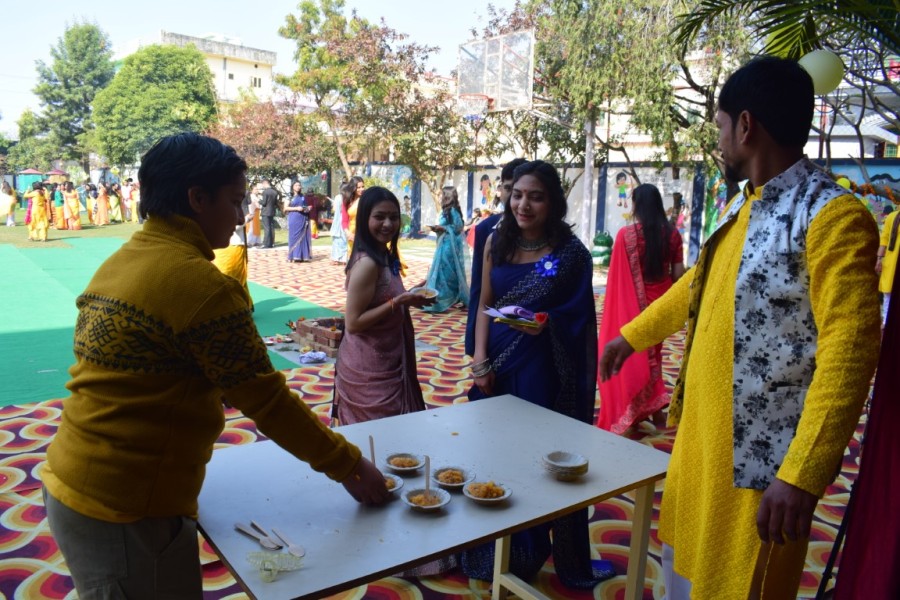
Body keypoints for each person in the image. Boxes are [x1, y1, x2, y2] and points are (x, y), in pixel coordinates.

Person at [41, 132, 390, 598]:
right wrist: (349, 466)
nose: (241, 214)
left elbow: (146, 371)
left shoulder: (123, 260)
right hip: (125, 508)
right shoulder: (201, 286)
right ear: (197, 199)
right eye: (234, 200)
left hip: (76, 480)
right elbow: (268, 403)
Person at [599, 57, 880, 598]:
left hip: (763, 474)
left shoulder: (832, 216)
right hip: (699, 450)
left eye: (720, 126)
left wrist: (801, 473)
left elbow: (850, 354)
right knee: (683, 579)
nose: (719, 141)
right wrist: (631, 337)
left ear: (746, 126)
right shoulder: (740, 203)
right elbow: (698, 285)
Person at [465, 160, 603, 590]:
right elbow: (485, 303)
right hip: (497, 364)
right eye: (518, 194)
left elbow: (579, 317)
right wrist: (480, 359)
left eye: (536, 197)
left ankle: (527, 552)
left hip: (542, 371)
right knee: (493, 454)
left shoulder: (570, 254)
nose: (523, 204)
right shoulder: (496, 240)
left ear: (553, 202)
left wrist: (549, 323)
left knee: (532, 459)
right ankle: (489, 551)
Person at [333, 186, 433, 425]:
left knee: (393, 433)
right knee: (374, 435)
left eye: (394, 217)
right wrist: (398, 301)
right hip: (368, 369)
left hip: (389, 359)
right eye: (379, 217)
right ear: (365, 218)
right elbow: (353, 323)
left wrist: (410, 296)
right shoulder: (367, 263)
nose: (388, 224)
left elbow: (381, 297)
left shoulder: (384, 254)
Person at [597, 183, 684, 434]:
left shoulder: (626, 235)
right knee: (654, 354)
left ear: (636, 205)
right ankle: (654, 411)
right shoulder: (673, 235)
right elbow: (678, 275)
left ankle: (645, 408)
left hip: (632, 304)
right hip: (662, 305)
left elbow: (617, 277)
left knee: (637, 356)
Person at [464, 158, 527, 356]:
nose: (513, 196)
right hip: (495, 328)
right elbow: (478, 288)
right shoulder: (486, 229)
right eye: (507, 188)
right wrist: (474, 343)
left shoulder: (549, 235)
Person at [423, 186, 469, 313]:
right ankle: (442, 296)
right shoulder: (446, 210)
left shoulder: (453, 210)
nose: (440, 197)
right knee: (442, 269)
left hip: (450, 245)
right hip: (445, 243)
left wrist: (442, 228)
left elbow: (458, 227)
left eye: (442, 195)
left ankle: (445, 298)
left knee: (447, 271)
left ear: (448, 196)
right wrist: (437, 228)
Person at [876, 204, 898, 326]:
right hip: (892, 261)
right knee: (888, 295)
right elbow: (884, 240)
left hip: (892, 262)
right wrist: (879, 259)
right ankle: (885, 322)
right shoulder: (892, 217)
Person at [285, 180, 313, 263]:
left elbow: (304, 206)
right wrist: (296, 208)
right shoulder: (289, 197)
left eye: (299, 185)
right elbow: (285, 208)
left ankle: (303, 256)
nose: (298, 187)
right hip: (294, 218)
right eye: (296, 185)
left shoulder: (302, 196)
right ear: (293, 187)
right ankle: (293, 255)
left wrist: (307, 208)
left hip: (303, 218)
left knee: (303, 236)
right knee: (294, 237)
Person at [330, 182, 352, 264]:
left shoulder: (338, 197)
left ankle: (336, 258)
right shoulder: (350, 197)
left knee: (337, 240)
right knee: (345, 239)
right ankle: (344, 259)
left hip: (338, 219)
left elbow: (335, 209)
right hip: (347, 220)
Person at [345, 175, 365, 256]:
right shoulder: (347, 201)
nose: (361, 189)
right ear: (353, 188)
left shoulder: (365, 199)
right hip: (351, 234)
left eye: (363, 187)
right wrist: (348, 233)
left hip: (363, 233)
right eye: (358, 187)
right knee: (352, 256)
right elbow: (344, 220)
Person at [258, 179, 279, 248]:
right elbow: (276, 203)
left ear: (265, 183)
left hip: (265, 212)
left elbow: (264, 203)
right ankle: (272, 243)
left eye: (262, 185)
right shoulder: (275, 192)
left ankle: (266, 244)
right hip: (272, 211)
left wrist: (259, 200)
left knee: (266, 228)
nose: (262, 186)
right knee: (271, 227)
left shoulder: (265, 192)